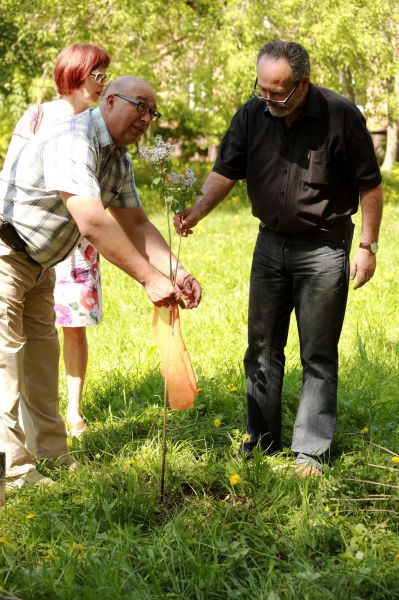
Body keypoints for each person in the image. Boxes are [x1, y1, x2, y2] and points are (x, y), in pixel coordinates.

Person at [175, 40, 383, 476]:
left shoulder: (339, 114)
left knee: (318, 353)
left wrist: (367, 246)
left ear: (302, 84)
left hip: (325, 246)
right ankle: (262, 442)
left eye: (278, 91)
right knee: (261, 347)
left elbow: (370, 183)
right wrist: (195, 210)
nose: (268, 99)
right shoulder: (253, 113)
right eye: (262, 89)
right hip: (269, 244)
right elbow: (225, 171)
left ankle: (310, 452)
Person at [0, 75, 201, 488]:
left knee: (41, 361)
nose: (146, 117)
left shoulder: (118, 158)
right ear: (109, 101)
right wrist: (148, 278)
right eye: (139, 105)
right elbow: (92, 221)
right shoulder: (74, 139)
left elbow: (137, 223)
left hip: (40, 265)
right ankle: (16, 471)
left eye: (152, 111)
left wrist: (178, 273)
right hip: (5, 254)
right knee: (6, 365)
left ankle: (53, 455)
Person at [1, 43, 112, 439]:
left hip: (71, 246)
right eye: (96, 75)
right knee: (9, 359)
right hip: (17, 248)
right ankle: (13, 467)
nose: (102, 84)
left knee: (48, 351)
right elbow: (10, 184)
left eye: (105, 76)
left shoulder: (100, 127)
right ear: (75, 74)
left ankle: (52, 445)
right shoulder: (40, 116)